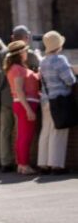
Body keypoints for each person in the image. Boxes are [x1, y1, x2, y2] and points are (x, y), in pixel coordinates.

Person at [0, 26, 40, 173]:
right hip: (24, 104)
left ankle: (21, 164)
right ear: (20, 52)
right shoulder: (17, 68)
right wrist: (28, 109)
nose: (26, 52)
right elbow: (19, 91)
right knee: (24, 136)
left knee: (21, 135)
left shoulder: (15, 66)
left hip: (20, 103)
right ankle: (23, 164)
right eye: (24, 50)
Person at [38, 31, 76, 174]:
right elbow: (70, 80)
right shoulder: (60, 60)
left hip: (46, 99)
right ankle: (56, 165)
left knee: (46, 131)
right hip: (59, 100)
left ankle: (43, 163)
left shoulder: (43, 61)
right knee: (58, 132)